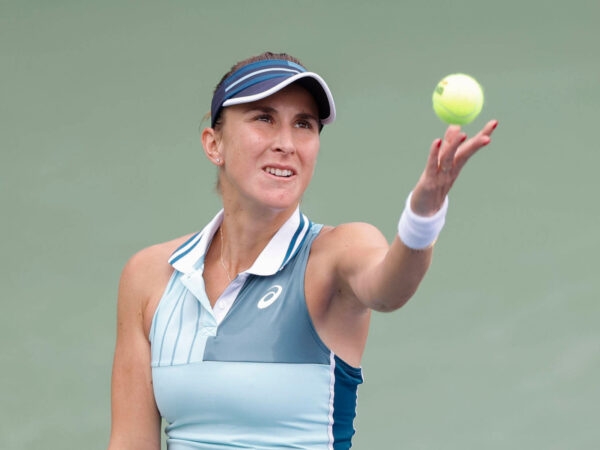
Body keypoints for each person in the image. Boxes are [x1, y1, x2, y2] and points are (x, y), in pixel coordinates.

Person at [108, 51, 498, 450]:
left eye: (304, 125)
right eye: (264, 118)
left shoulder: (335, 255)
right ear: (214, 143)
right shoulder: (151, 276)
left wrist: (423, 214)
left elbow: (389, 287)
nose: (286, 143)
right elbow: (130, 442)